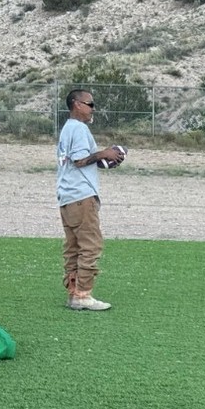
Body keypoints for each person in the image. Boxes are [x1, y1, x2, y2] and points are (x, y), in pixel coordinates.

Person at [56, 89, 124, 311]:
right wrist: (104, 154)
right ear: (77, 104)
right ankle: (83, 295)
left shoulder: (67, 128)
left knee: (73, 247)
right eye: (90, 104)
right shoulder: (79, 128)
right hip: (81, 196)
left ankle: (73, 291)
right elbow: (79, 160)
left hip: (66, 196)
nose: (93, 108)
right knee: (91, 245)